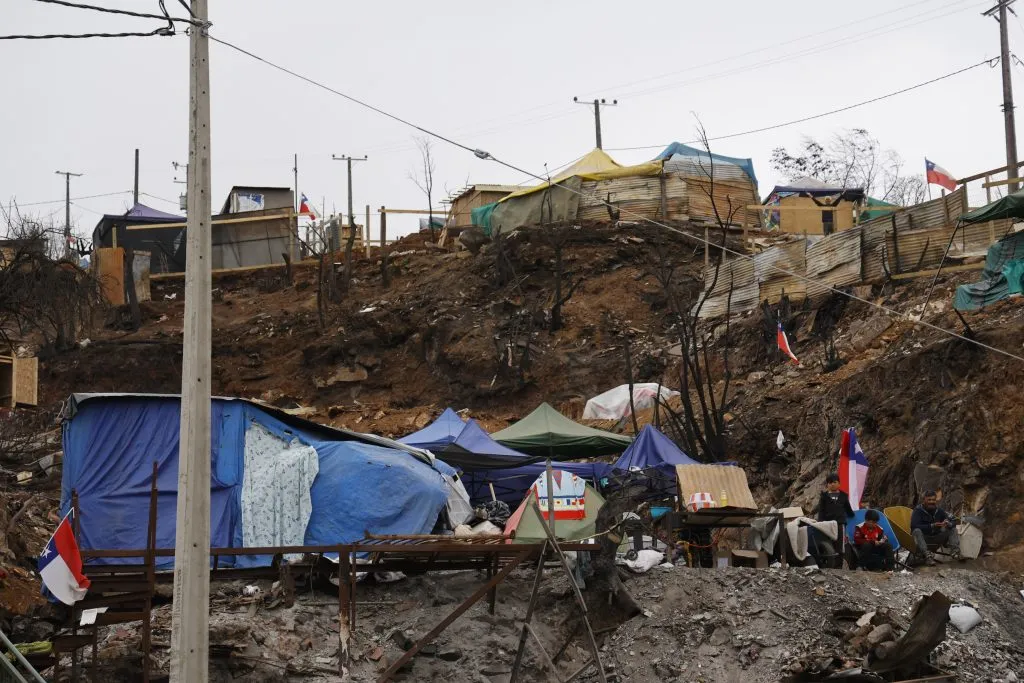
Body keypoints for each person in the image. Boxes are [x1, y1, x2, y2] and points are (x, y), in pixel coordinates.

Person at [814, 474, 854, 567]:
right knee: (827, 543)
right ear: (827, 485)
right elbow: (821, 511)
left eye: (834, 482)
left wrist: (853, 515)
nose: (832, 484)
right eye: (830, 482)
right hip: (827, 524)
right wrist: (820, 523)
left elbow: (848, 509)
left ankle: (838, 566)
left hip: (840, 523)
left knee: (840, 545)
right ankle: (828, 565)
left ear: (839, 484)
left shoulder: (844, 496)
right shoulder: (824, 496)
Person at [910, 491, 960, 565]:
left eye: (933, 500)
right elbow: (914, 526)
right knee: (916, 531)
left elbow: (953, 520)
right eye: (929, 500)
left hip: (937, 538)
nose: (931, 502)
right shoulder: (918, 511)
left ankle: (955, 552)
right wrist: (932, 526)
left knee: (952, 529)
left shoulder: (939, 510)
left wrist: (948, 523)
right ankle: (927, 556)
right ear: (924, 500)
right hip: (924, 539)